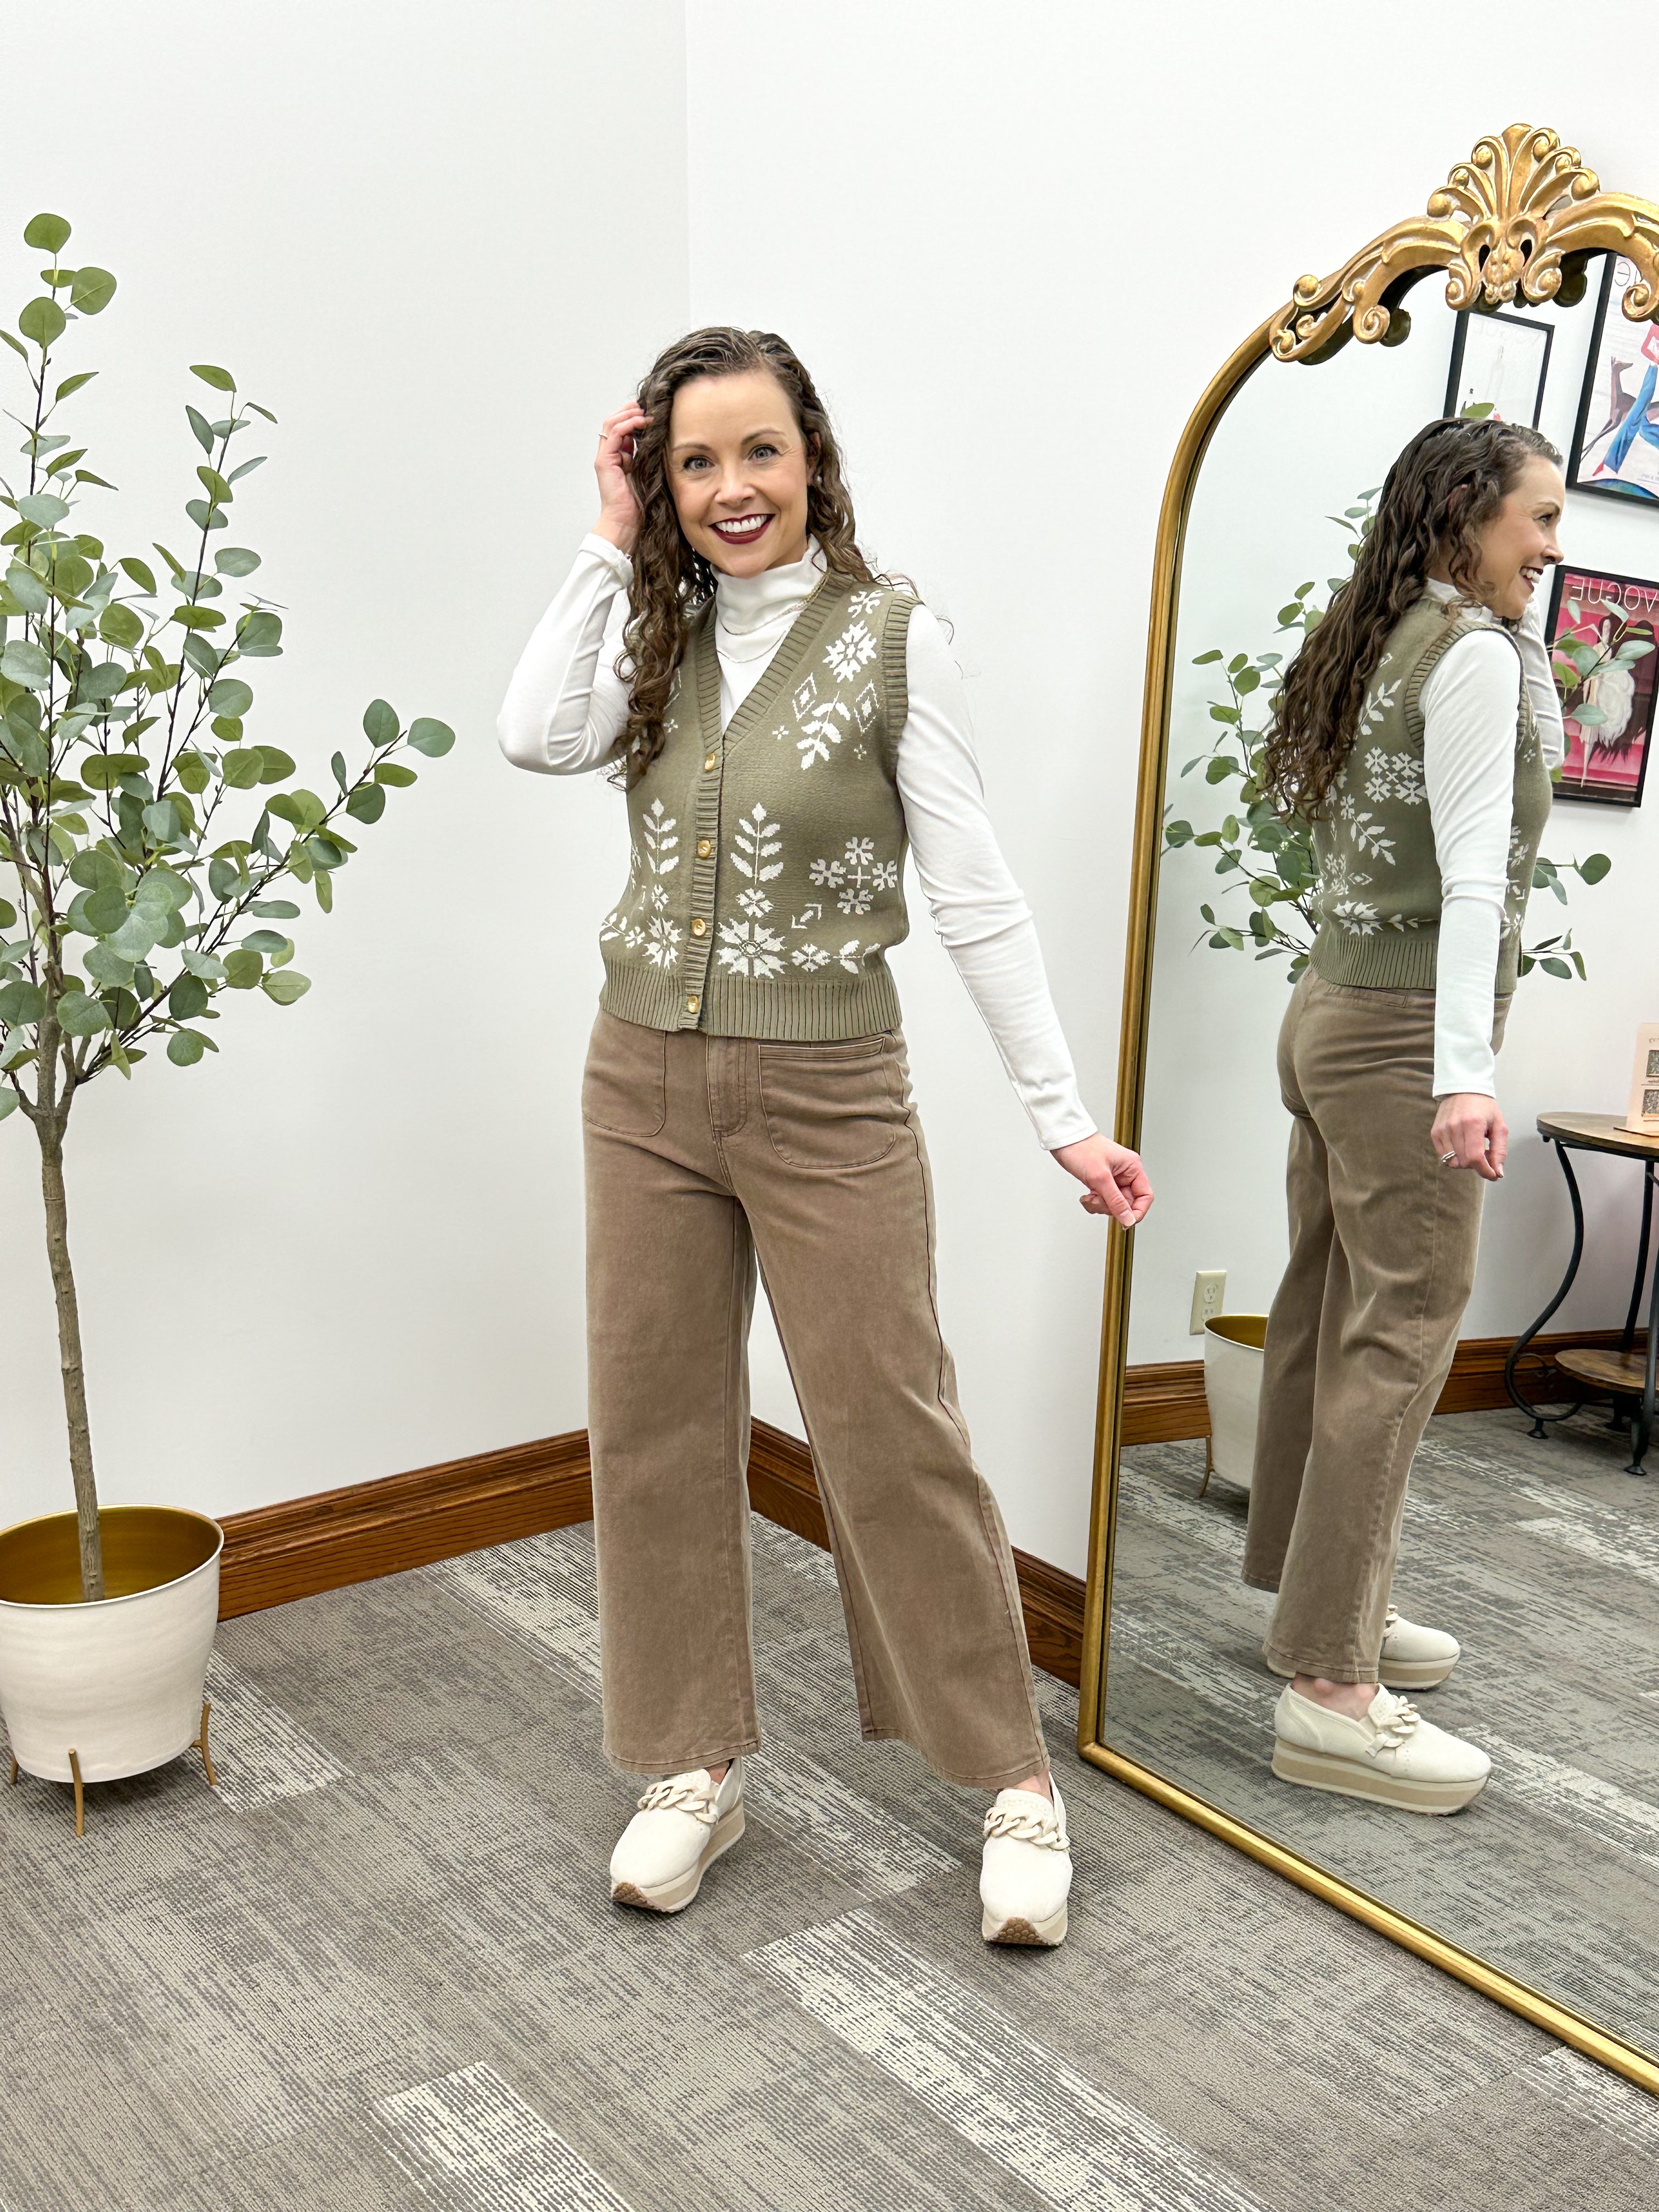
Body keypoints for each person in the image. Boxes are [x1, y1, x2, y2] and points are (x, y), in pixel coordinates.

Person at [498, 326, 1152, 1944]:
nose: (731, 490)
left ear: (815, 459)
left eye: (759, 453)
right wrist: (602, 532)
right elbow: (531, 733)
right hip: (639, 1081)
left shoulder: (893, 637)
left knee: (889, 1425)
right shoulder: (651, 641)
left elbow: (976, 895)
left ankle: (1010, 1777)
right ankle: (692, 1761)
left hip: (829, 1092)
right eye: (694, 461)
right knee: (651, 1422)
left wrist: (1062, 1117)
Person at [1243, 416, 1566, 1814]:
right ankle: (1330, 1689)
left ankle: (1321, 1604)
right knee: (1402, 1336)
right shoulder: (1475, 655)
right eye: (1537, 520)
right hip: (1400, 1040)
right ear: (1465, 514)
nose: (1554, 547)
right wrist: (1466, 1073)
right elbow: (1479, 874)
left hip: (1326, 1010)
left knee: (1326, 1310)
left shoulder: (1379, 632)